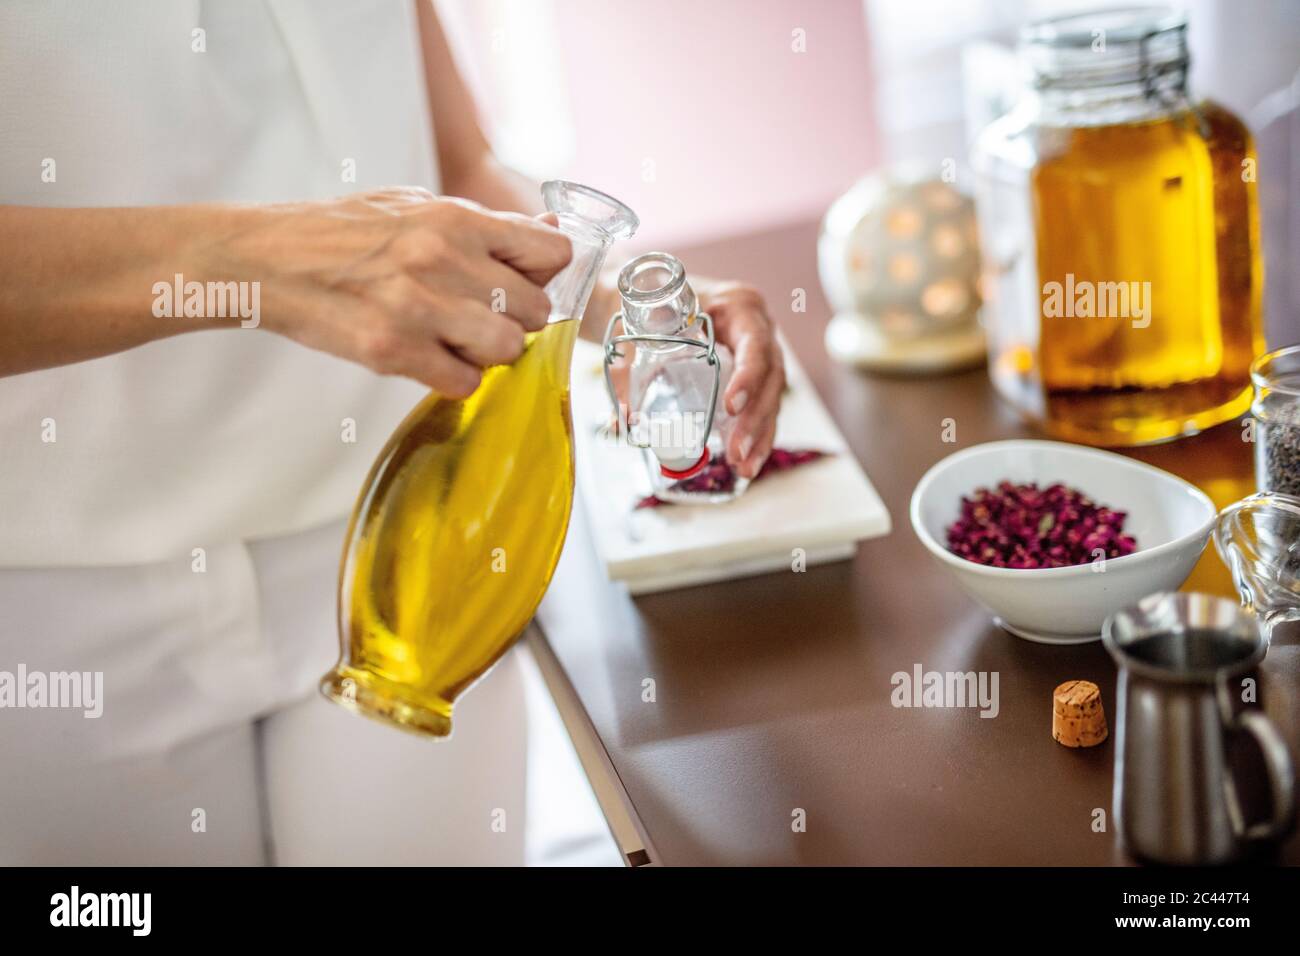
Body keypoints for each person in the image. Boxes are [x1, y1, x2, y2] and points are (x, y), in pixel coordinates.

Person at [0, 1, 784, 864]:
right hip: (63, 597)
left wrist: (622, 302)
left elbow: (458, 162)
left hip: (411, 533)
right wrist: (261, 260)